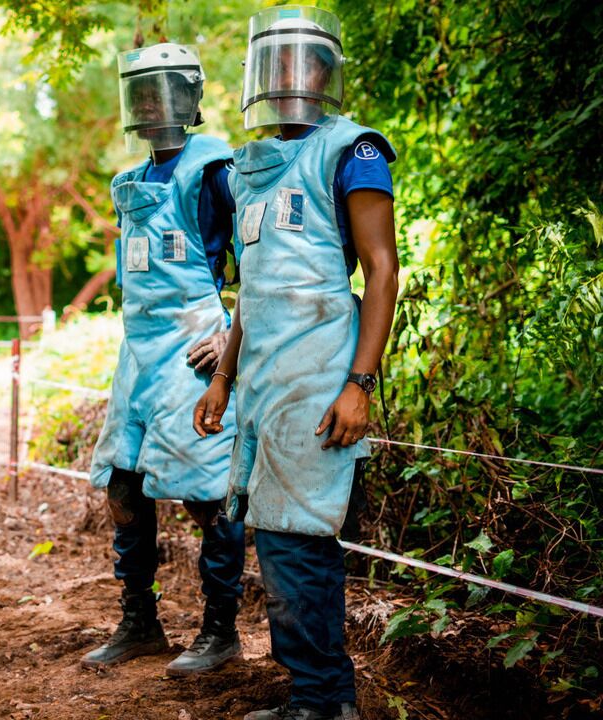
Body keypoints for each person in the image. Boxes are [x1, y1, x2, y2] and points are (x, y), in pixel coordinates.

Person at [193, 7, 399, 720]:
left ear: (323, 72)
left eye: (299, 63)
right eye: (273, 63)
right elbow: (248, 286)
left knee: (300, 543)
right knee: (277, 545)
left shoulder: (353, 150)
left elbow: (381, 269)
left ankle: (324, 701)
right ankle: (311, 697)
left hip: (320, 381)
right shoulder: (247, 169)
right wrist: (223, 375)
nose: (287, 78)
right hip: (262, 389)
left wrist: (358, 384)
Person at [81, 42, 246, 677]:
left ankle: (219, 631)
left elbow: (258, 258)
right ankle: (141, 624)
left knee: (208, 496)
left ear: (190, 96)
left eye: (162, 89)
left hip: (195, 348)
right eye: (140, 91)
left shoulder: (217, 169)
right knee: (122, 486)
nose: (151, 102)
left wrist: (231, 334)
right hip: (138, 352)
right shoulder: (128, 182)